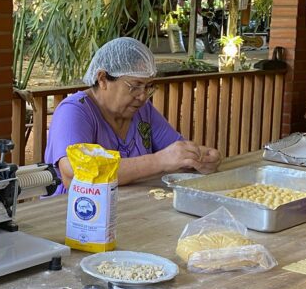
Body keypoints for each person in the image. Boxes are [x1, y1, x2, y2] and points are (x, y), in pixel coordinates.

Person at [44, 37, 221, 194]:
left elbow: (176, 151)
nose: (143, 96)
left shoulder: (143, 110)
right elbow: (75, 169)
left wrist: (198, 158)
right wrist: (159, 161)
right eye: (135, 86)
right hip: (76, 219)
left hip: (131, 211)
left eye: (148, 87)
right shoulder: (75, 110)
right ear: (103, 79)